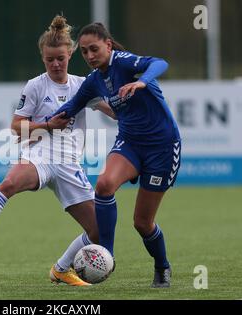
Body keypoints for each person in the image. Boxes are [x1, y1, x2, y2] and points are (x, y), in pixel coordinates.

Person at [0, 16, 115, 287]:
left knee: (98, 231)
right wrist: (47, 124)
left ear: (69, 54)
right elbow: (16, 128)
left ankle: (61, 269)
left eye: (60, 58)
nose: (56, 64)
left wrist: (128, 96)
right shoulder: (36, 86)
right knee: (8, 184)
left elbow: (113, 111)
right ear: (43, 59)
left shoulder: (83, 85)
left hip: (69, 162)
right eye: (50, 60)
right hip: (41, 155)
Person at [51, 22, 181, 288]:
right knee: (104, 184)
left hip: (162, 147)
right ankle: (106, 255)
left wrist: (143, 81)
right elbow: (72, 107)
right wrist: (44, 122)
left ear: (108, 45)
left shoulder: (123, 62)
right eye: (84, 51)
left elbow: (160, 62)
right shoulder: (94, 81)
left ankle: (162, 266)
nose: (89, 56)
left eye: (94, 49)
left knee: (142, 223)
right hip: (130, 143)